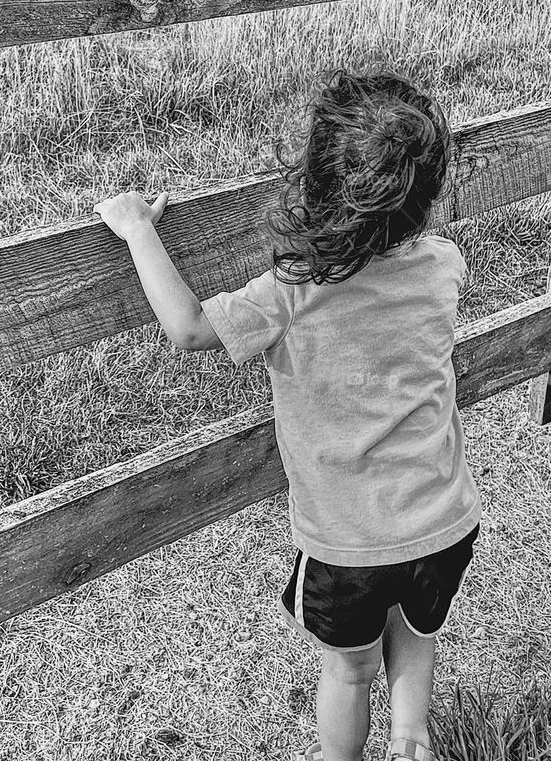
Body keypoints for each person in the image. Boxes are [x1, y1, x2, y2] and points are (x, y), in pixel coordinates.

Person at [93, 68, 481, 761]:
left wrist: (136, 231)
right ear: (426, 195)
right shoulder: (443, 265)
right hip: (443, 524)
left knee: (349, 669)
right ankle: (411, 742)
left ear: (319, 187)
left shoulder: (293, 291)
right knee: (418, 635)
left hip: (345, 547)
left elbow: (186, 329)